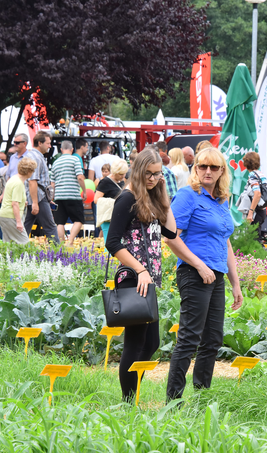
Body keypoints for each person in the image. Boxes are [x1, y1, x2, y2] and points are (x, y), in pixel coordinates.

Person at [165, 147, 243, 400]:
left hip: (216, 276)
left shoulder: (222, 200)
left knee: (213, 340)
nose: (207, 171)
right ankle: (172, 402)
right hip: (193, 273)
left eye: (213, 167)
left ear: (222, 171)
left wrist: (236, 283)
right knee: (189, 339)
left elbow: (226, 242)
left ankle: (201, 398)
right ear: (195, 168)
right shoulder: (188, 195)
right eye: (202, 166)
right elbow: (171, 237)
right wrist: (199, 265)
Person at [105, 147, 177, 402]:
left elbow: (171, 233)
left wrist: (163, 192)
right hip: (135, 276)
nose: (153, 178)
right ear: (137, 171)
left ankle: (132, 395)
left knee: (151, 343)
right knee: (136, 342)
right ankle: (128, 402)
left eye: (157, 174)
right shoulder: (127, 199)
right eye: (148, 173)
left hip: (148, 279)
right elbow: (112, 242)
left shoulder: (152, 197)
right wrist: (141, 269)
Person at [23, 131, 59, 243]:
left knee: (24, 227)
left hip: (34, 196)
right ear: (39, 143)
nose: (50, 146)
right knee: (50, 227)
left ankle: (15, 253)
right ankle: (58, 255)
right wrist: (35, 202)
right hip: (38, 197)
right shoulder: (36, 158)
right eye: (48, 143)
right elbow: (32, 181)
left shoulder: (32, 155)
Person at [50, 140, 87, 245]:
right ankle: (70, 242)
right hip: (73, 195)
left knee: (60, 222)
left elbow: (52, 184)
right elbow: (80, 177)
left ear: (61, 150)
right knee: (79, 220)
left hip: (59, 197)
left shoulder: (55, 163)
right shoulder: (75, 159)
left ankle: (61, 244)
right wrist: (84, 191)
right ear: (72, 149)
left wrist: (52, 197)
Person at [0, 158, 37, 244]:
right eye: (33, 170)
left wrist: (23, 203)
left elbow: (11, 198)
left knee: (8, 244)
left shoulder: (13, 178)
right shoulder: (18, 183)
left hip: (4, 215)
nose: (33, 173)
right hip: (11, 217)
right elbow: (14, 204)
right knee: (24, 244)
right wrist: (19, 222)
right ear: (29, 171)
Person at [95, 159, 128, 240]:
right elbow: (96, 199)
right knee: (110, 243)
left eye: (124, 174)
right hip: (108, 218)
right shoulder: (105, 182)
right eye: (121, 174)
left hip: (120, 217)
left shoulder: (121, 181)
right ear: (115, 172)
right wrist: (115, 202)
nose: (123, 176)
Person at [242, 152, 267, 236]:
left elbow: (257, 194)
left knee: (253, 240)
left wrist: (250, 212)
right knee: (257, 237)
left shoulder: (253, 175)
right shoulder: (260, 174)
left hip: (256, 212)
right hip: (262, 210)